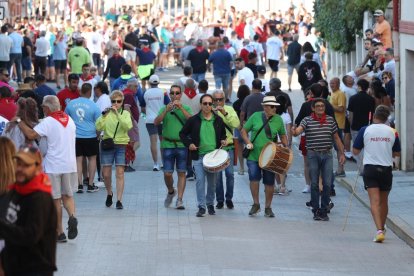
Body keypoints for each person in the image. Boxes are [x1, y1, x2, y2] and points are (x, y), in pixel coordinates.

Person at [17, 95, 78, 242]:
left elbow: (31, 134)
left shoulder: (49, 121)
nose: (42, 109)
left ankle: (60, 233)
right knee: (68, 196)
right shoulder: (69, 120)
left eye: (43, 107)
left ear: (48, 108)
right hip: (69, 164)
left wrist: (19, 121)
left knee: (55, 200)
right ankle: (72, 217)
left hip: (53, 166)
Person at [0, 145, 57, 275]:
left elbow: (31, 235)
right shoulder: (16, 190)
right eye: (18, 164)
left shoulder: (40, 198)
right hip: (15, 266)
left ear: (37, 167)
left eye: (26, 165)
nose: (20, 169)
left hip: (34, 269)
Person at [352, 105, 401, 242]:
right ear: (386, 118)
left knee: (374, 201)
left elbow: (355, 151)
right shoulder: (393, 131)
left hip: (370, 169)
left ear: (374, 116)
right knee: (384, 201)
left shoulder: (365, 130)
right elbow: (397, 153)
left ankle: (379, 230)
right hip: (386, 169)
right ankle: (382, 228)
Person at [292, 98, 345, 221]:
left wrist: (341, 153)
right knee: (314, 183)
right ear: (313, 108)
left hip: (327, 154)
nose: (321, 108)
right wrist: (294, 132)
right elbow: (299, 130)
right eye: (318, 106)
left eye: (323, 106)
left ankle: (324, 209)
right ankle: (315, 209)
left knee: (327, 184)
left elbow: (336, 138)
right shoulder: (307, 120)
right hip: (313, 154)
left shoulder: (330, 120)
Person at [179, 94, 227, 217]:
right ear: (200, 105)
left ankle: (210, 204)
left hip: (213, 158)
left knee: (212, 183)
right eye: (205, 103)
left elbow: (223, 135)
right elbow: (183, 134)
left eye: (210, 104)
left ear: (212, 105)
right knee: (200, 181)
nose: (207, 106)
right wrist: (189, 144)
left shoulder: (218, 120)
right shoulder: (193, 120)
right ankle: (201, 206)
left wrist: (223, 141)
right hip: (198, 156)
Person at [241, 96, 288, 217]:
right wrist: (248, 142)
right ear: (265, 107)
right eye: (271, 106)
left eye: (274, 106)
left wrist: (285, 145)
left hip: (270, 157)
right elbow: (243, 131)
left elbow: (282, 135)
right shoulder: (256, 116)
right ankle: (256, 204)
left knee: (269, 182)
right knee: (254, 180)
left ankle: (268, 207)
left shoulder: (278, 119)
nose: (274, 108)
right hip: (254, 155)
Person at [154, 85, 192, 209]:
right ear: (169, 95)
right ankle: (171, 191)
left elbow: (192, 121)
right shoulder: (164, 108)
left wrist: (181, 109)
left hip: (181, 145)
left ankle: (180, 199)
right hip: (168, 144)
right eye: (172, 93)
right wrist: (165, 111)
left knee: (182, 173)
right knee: (167, 173)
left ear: (181, 95)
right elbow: (156, 122)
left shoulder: (185, 107)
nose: (174, 95)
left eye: (177, 93)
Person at [96, 91, 132, 209]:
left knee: (120, 173)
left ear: (122, 102)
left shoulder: (125, 113)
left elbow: (127, 126)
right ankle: (109, 193)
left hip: (121, 145)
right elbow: (98, 127)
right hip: (108, 144)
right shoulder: (107, 113)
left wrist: (117, 114)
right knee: (105, 174)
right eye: (113, 101)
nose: (116, 103)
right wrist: (103, 115)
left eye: (119, 101)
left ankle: (119, 200)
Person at [65, 83, 101, 193]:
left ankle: (79, 185)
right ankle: (90, 185)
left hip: (76, 136)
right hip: (90, 136)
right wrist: (98, 135)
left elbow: (66, 119)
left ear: (80, 91)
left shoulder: (71, 104)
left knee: (78, 160)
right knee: (92, 159)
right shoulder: (94, 105)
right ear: (90, 92)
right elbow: (99, 123)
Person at [213, 90, 240, 209]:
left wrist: (225, 114)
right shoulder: (210, 110)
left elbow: (236, 124)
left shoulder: (230, 109)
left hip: (229, 147)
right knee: (217, 177)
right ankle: (219, 200)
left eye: (221, 99)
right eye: (216, 100)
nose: (218, 102)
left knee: (230, 175)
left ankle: (229, 198)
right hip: (216, 149)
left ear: (224, 99)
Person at [142, 75, 170, 171]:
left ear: (149, 83)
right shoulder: (163, 92)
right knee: (162, 141)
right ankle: (163, 162)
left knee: (153, 142)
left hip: (150, 120)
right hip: (162, 119)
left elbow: (142, 107)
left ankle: (155, 164)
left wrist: (146, 115)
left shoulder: (146, 93)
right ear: (158, 83)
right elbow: (168, 105)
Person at [348, 79, 376, 174]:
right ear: (367, 87)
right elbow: (372, 113)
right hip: (368, 126)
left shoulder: (353, 98)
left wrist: (351, 125)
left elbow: (350, 114)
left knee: (357, 148)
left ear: (359, 86)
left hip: (355, 126)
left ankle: (361, 169)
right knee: (367, 147)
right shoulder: (371, 99)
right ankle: (366, 167)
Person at [329, 77, 347, 177]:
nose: (331, 85)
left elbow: (341, 109)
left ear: (338, 84)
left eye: (334, 84)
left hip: (339, 125)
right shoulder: (333, 93)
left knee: (339, 148)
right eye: (330, 83)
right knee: (336, 148)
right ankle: (339, 169)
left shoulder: (340, 94)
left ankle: (341, 170)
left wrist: (329, 105)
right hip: (333, 124)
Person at [233, 85, 250, 175]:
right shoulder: (249, 102)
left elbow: (234, 117)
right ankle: (250, 166)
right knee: (250, 146)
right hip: (249, 126)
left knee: (239, 147)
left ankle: (241, 168)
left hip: (239, 126)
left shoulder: (235, 103)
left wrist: (240, 124)